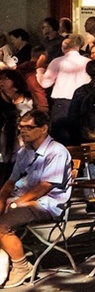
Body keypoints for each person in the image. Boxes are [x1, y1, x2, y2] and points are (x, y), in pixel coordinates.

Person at [0, 110, 73, 288]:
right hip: (22, 197)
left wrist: (16, 203)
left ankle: (21, 266)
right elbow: (11, 181)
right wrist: (2, 198)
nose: (23, 131)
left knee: (2, 226)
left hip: (45, 203)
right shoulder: (25, 151)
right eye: (21, 128)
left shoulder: (56, 151)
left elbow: (44, 187)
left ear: (43, 129)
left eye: (29, 127)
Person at [36, 32, 89, 143]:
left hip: (63, 104)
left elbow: (45, 83)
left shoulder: (57, 62)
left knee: (61, 138)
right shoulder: (88, 62)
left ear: (64, 46)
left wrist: (40, 70)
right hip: (84, 102)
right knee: (81, 137)